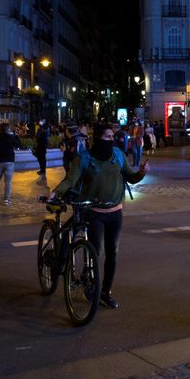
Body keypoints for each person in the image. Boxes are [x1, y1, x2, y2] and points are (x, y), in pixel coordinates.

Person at [51, 123, 149, 309]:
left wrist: (142, 173)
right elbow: (70, 179)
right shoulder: (84, 158)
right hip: (93, 212)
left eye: (112, 137)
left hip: (115, 212)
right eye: (107, 137)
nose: (112, 140)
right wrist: (55, 193)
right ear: (97, 139)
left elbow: (130, 177)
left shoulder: (118, 156)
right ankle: (90, 283)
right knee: (96, 251)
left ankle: (105, 292)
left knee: (113, 252)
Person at [0, 123, 22, 205]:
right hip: (9, 161)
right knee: (8, 182)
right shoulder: (11, 138)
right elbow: (19, 145)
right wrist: (15, 135)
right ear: (8, 129)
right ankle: (6, 200)